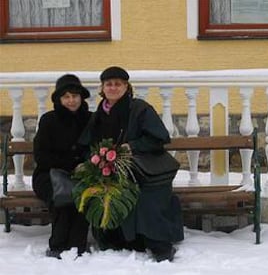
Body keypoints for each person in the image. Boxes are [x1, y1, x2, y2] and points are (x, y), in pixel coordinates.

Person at [79, 66, 184, 262]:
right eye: (108, 84)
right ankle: (123, 240)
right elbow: (87, 144)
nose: (113, 88)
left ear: (126, 87)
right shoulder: (98, 115)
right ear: (102, 88)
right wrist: (96, 160)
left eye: (118, 84)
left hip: (143, 171)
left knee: (145, 197)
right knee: (103, 193)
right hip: (110, 171)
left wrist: (132, 147)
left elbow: (159, 139)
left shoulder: (140, 109)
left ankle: (160, 245)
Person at [32, 74, 91, 259]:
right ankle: (58, 244)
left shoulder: (90, 119)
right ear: (59, 99)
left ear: (81, 97)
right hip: (48, 173)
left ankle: (77, 246)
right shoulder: (49, 120)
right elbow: (41, 155)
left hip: (83, 173)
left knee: (83, 193)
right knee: (61, 195)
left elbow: (96, 148)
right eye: (66, 96)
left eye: (75, 96)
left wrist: (86, 166)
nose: (71, 100)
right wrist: (71, 165)